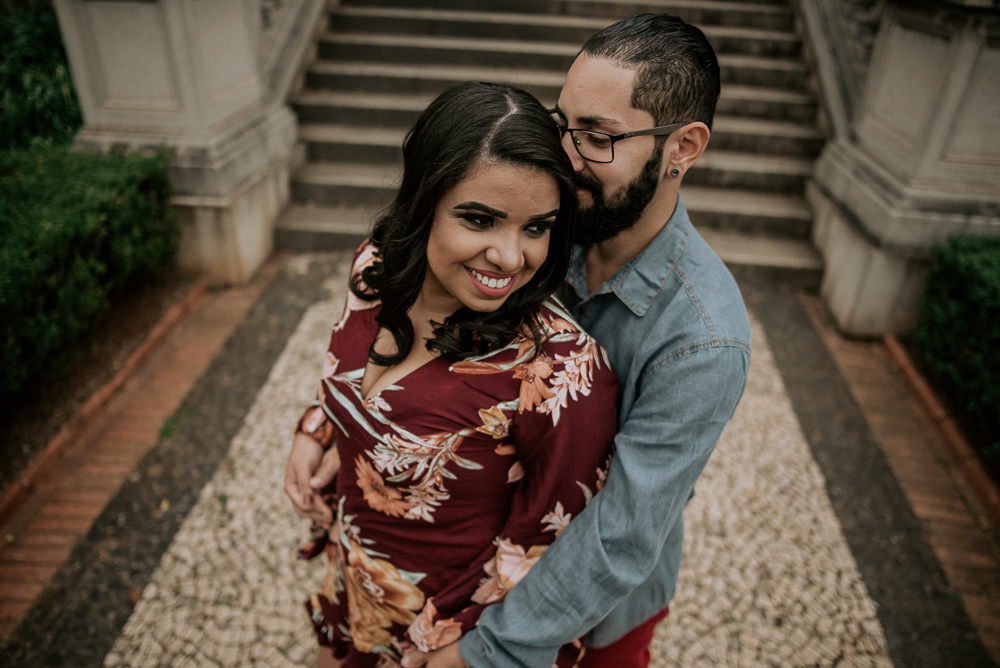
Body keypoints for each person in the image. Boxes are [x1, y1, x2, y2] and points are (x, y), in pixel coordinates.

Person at [396, 13, 753, 668]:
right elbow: (421, 307)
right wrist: (332, 422)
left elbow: (621, 536)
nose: (563, 155)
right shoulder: (539, 225)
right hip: (466, 569)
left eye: (597, 137)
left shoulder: (704, 341)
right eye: (562, 124)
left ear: (684, 147)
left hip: (585, 621)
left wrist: (490, 652)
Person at [284, 81, 620, 668]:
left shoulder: (558, 369)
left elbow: (554, 547)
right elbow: (347, 379)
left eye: (536, 228)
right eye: (480, 219)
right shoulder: (374, 270)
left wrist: (466, 649)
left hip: (445, 642)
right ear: (423, 200)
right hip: (352, 598)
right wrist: (317, 430)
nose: (511, 257)